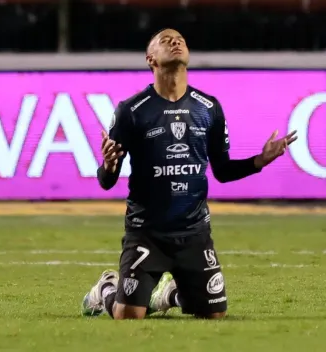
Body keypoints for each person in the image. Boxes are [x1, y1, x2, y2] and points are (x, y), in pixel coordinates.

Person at [81, 28, 297, 320]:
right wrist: (108, 165)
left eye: (180, 39)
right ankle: (106, 289)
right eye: (165, 40)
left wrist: (260, 160)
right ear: (151, 60)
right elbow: (107, 181)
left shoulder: (209, 108)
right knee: (127, 315)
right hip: (147, 232)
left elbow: (222, 171)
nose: (175, 41)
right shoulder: (131, 111)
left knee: (214, 315)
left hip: (194, 232)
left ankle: (170, 294)